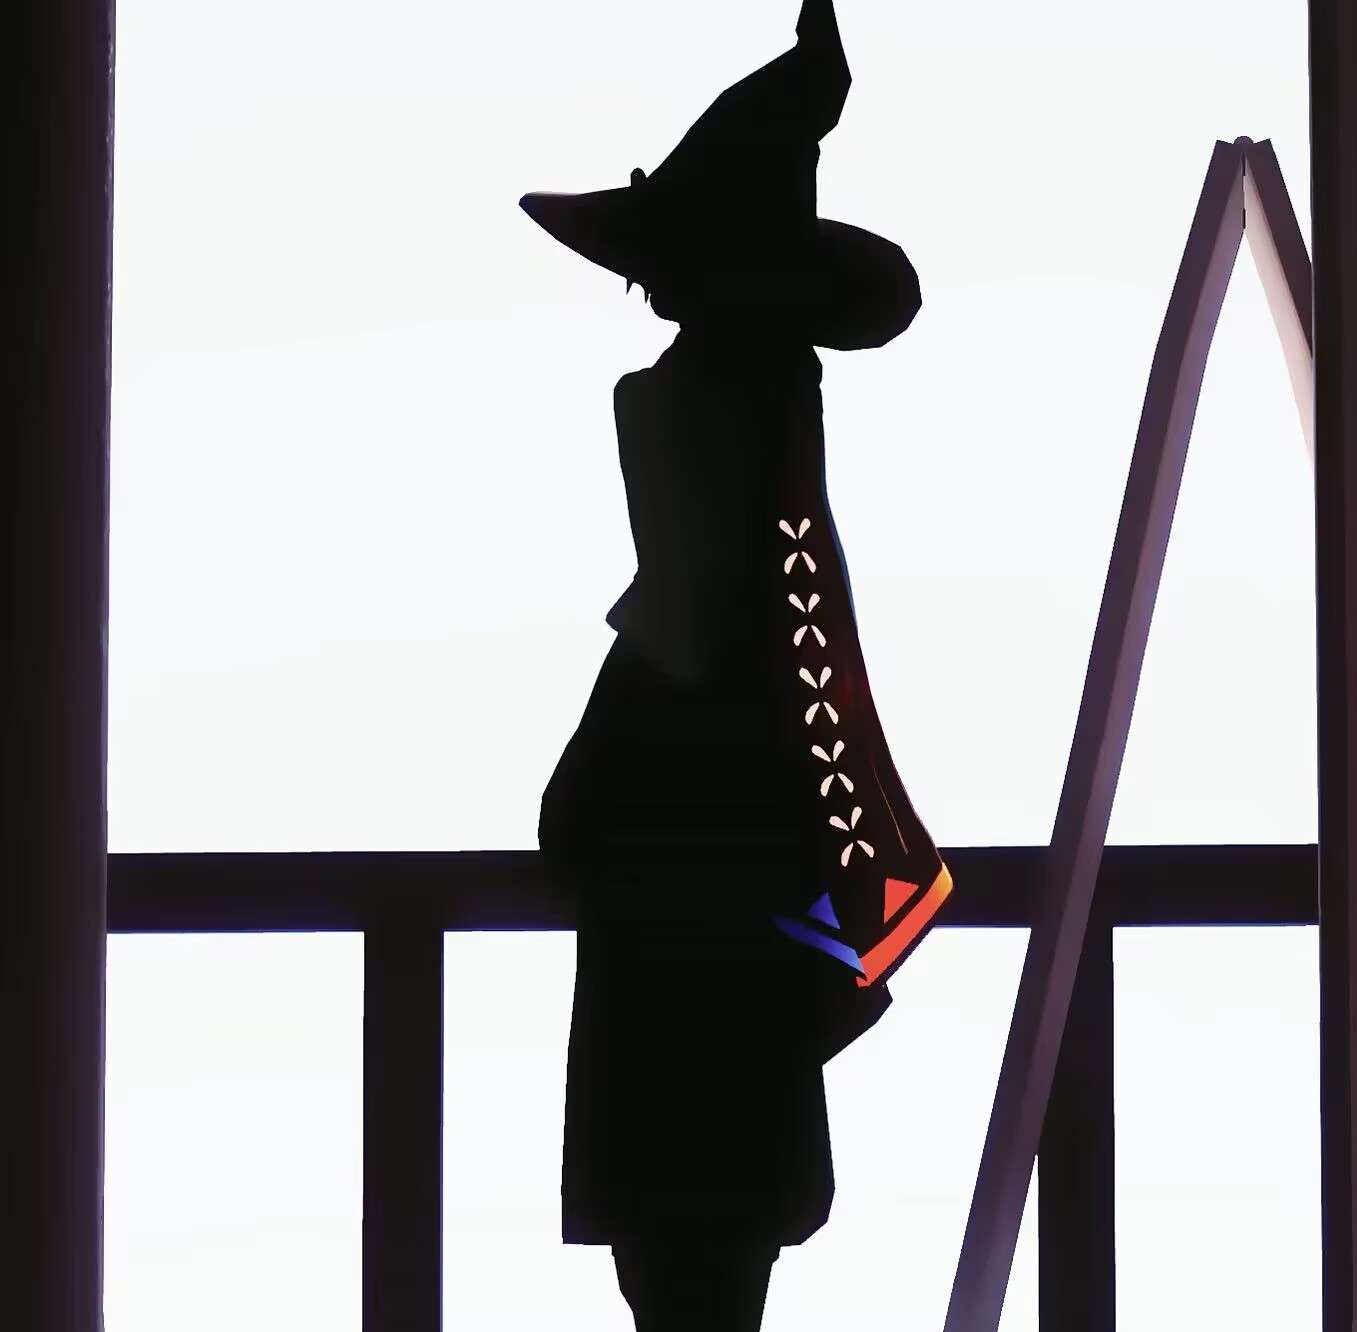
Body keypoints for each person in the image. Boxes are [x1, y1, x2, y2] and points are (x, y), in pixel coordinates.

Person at [526, 1, 951, 1325]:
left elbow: (599, 795)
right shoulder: (765, 478)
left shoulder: (730, 470)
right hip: (729, 978)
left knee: (690, 1274)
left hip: (698, 991)